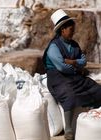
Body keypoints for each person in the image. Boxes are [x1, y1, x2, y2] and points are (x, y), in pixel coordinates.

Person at [42, 9, 101, 140]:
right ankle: (68, 129)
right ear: (62, 29)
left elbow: (83, 61)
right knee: (69, 95)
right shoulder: (53, 47)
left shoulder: (74, 44)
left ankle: (95, 115)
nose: (73, 30)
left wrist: (73, 61)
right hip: (58, 79)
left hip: (74, 76)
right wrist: (76, 66)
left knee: (96, 89)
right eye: (70, 28)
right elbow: (61, 67)